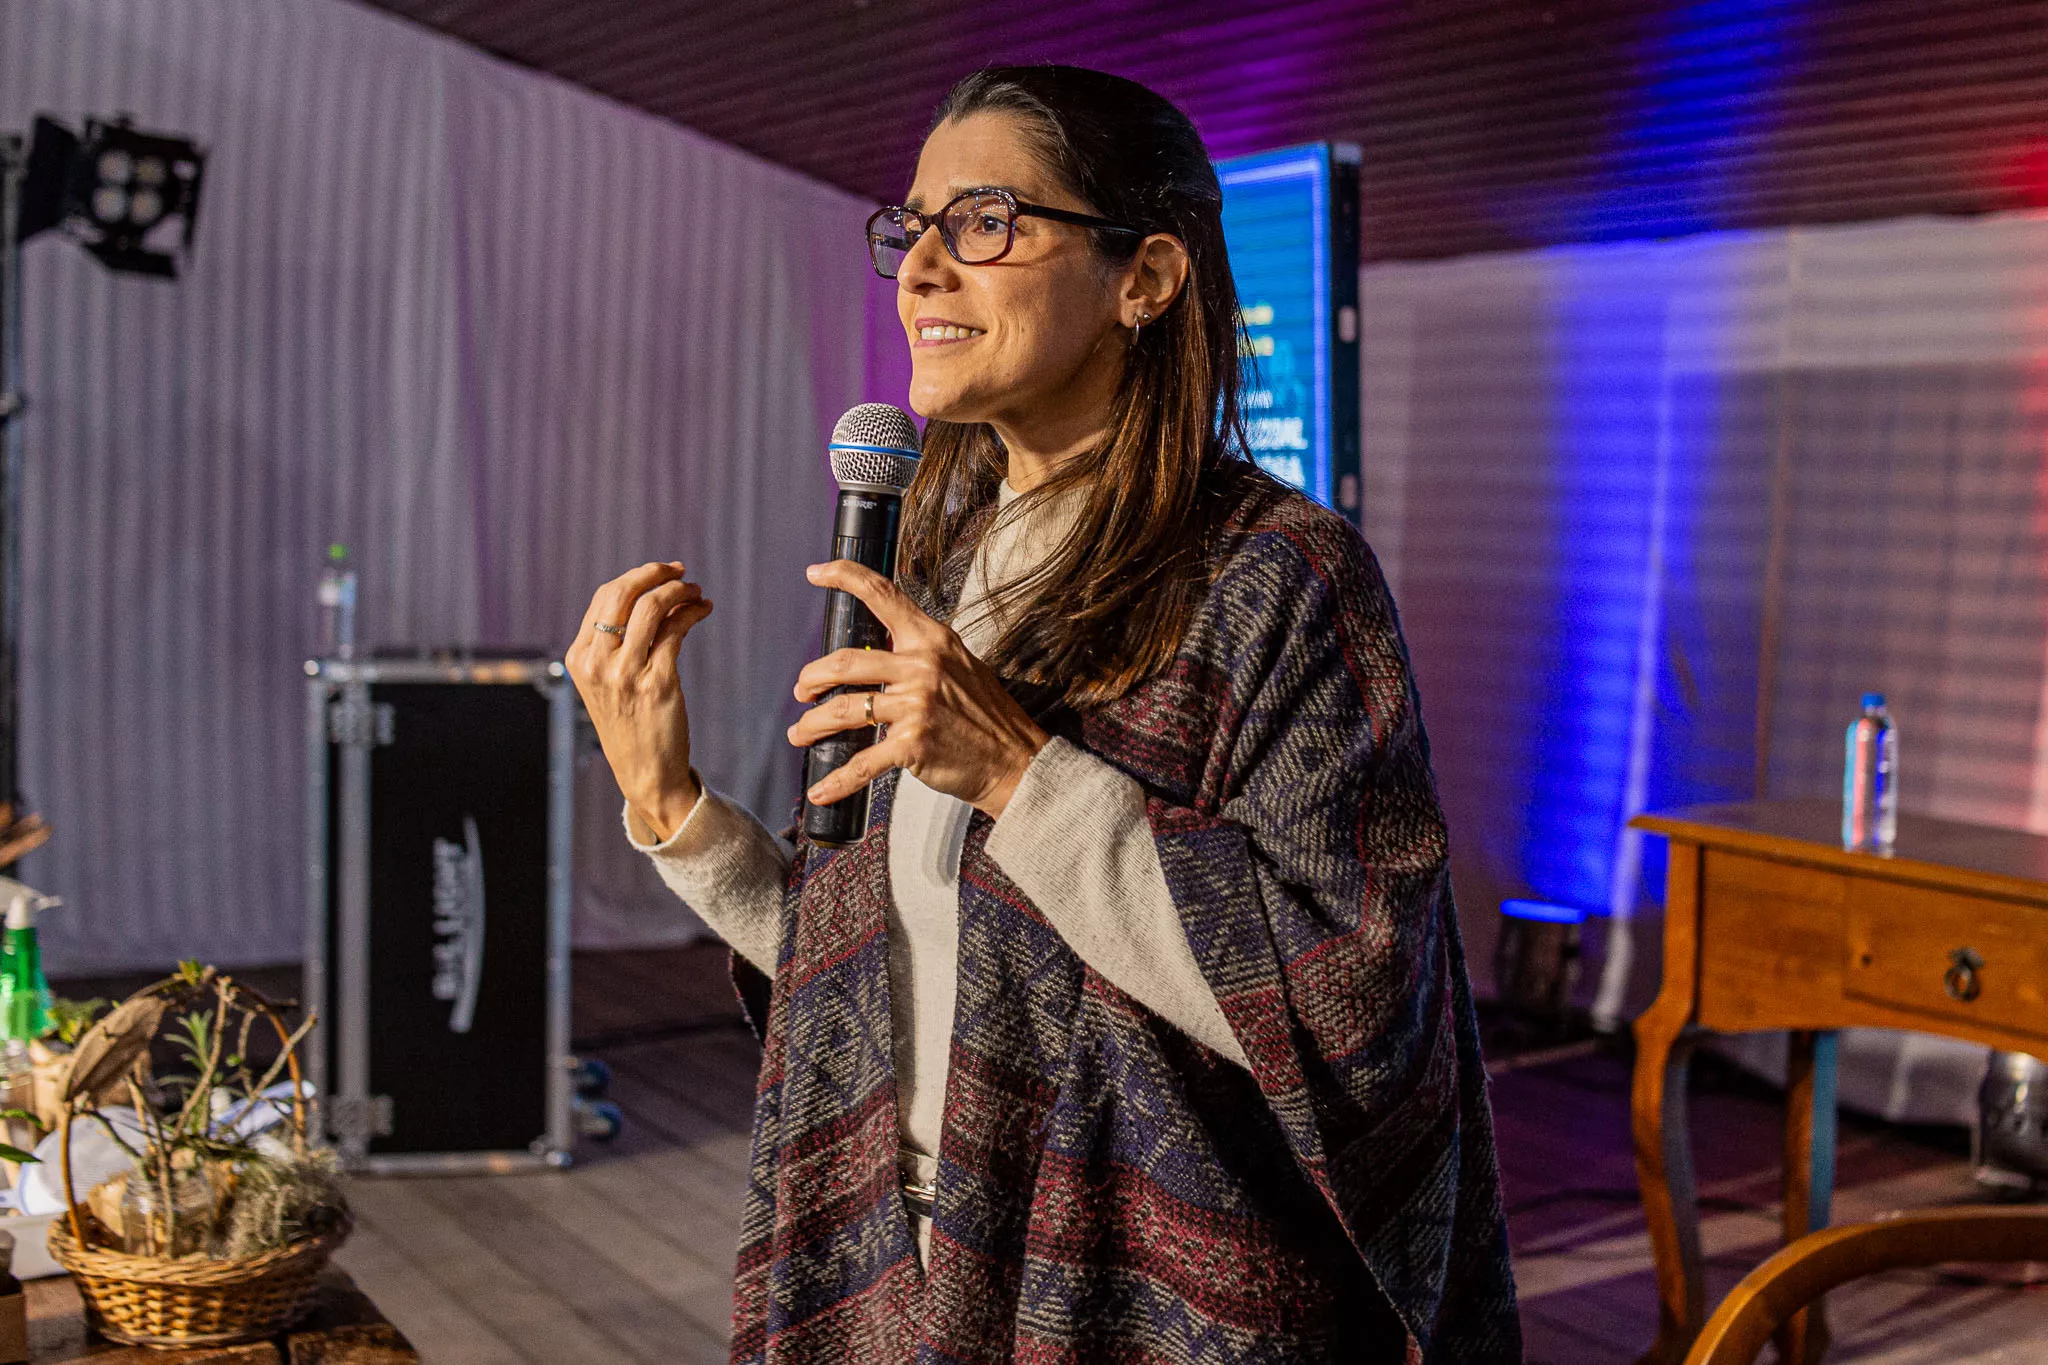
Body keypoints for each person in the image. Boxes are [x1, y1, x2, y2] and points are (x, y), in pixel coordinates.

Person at [567, 65, 1518, 1365]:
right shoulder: (943, 560)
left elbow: (1352, 1006)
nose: (920, 270)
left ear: (1147, 279)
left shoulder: (1276, 578)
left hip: (1141, 1293)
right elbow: (882, 957)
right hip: (907, 1258)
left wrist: (1023, 776)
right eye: (913, 227)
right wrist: (674, 809)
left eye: (986, 221)